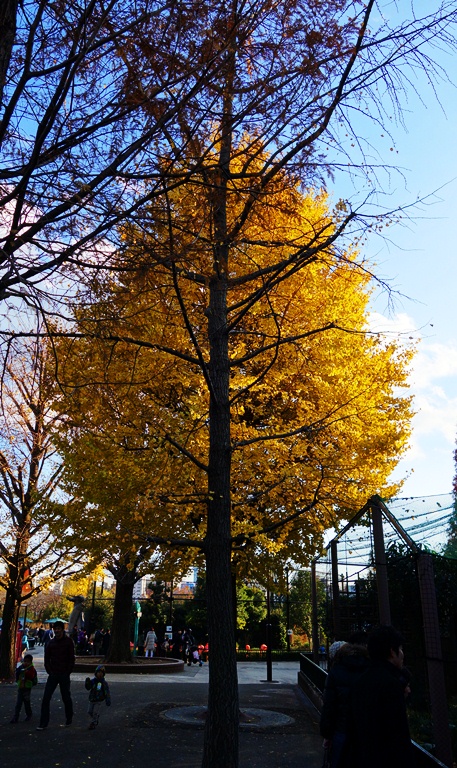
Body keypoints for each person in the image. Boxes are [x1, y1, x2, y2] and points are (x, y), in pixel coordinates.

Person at [349, 625, 416, 768]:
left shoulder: (359, 682)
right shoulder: (391, 684)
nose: (403, 654)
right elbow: (398, 734)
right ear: (392, 652)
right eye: (401, 649)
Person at [320, 642, 369, 767]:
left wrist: (327, 734)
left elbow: (329, 706)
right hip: (365, 730)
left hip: (341, 729)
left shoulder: (336, 672)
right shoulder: (369, 669)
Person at [36, 620, 75, 730]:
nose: (57, 631)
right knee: (46, 698)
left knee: (66, 697)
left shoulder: (68, 642)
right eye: (55, 629)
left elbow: (71, 658)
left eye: (59, 629)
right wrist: (49, 670)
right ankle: (43, 722)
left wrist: (68, 671)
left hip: (63, 673)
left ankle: (69, 717)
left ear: (62, 630)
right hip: (53, 673)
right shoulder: (51, 643)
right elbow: (47, 658)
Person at [10, 653, 38, 723]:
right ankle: (16, 717)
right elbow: (17, 673)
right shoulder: (21, 667)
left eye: (28, 662)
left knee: (26, 702)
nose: (26, 663)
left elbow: (31, 676)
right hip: (21, 686)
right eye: (25, 661)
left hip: (27, 687)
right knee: (19, 703)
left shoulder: (31, 669)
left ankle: (29, 714)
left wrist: (25, 673)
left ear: (31, 662)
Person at [84, 664, 111, 730]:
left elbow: (106, 691)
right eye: (98, 672)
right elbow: (88, 687)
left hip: (98, 699)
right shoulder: (93, 681)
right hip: (92, 699)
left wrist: (107, 699)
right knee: (89, 711)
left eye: (101, 673)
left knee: (95, 711)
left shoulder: (103, 683)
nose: (100, 674)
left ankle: (94, 722)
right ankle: (95, 718)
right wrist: (87, 683)